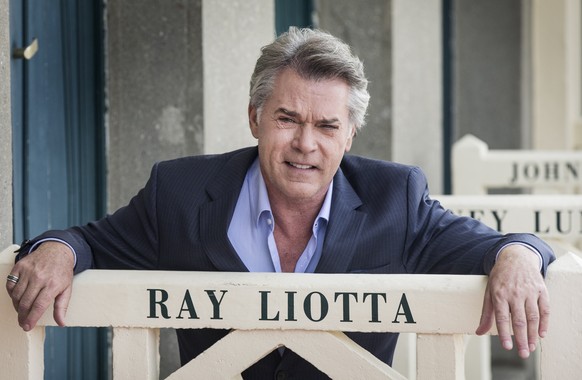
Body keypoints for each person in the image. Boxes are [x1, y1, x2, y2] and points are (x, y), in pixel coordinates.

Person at [6, 27, 554, 378]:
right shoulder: (181, 191)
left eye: (326, 126)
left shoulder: (397, 198)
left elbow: (496, 245)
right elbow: (92, 241)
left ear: (351, 135)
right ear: (255, 119)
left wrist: (520, 257)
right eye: (287, 119)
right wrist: (58, 248)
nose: (305, 144)